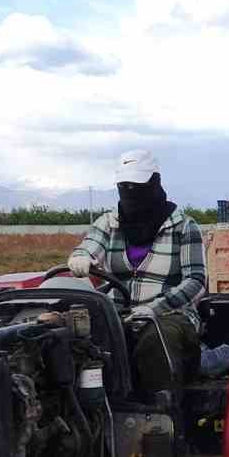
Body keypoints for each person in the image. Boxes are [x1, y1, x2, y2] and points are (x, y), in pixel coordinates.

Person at [67, 150, 206, 398]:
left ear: (154, 183)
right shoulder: (108, 224)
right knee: (77, 340)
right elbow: (90, 245)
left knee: (156, 339)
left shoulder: (184, 227)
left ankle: (164, 412)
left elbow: (195, 281)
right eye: (124, 186)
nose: (131, 193)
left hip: (171, 315)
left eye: (137, 186)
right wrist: (81, 256)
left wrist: (156, 308)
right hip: (119, 314)